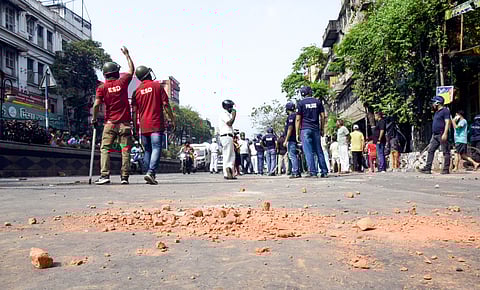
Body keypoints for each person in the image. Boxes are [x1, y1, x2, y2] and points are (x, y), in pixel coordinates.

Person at [92, 46, 134, 185]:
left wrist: (94, 118)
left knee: (105, 148)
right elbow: (131, 70)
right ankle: (124, 177)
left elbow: (96, 105)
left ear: (104, 74)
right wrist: (127, 55)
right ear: (116, 73)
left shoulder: (102, 88)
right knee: (125, 149)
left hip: (110, 123)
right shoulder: (122, 82)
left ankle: (105, 175)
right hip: (125, 124)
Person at [132, 65, 176, 185]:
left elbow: (134, 112)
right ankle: (151, 172)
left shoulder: (136, 91)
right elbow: (166, 105)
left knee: (147, 150)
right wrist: (172, 120)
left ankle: (148, 172)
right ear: (148, 74)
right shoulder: (157, 86)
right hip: (156, 123)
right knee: (156, 147)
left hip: (143, 125)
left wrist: (135, 129)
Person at [295, 86, 329, 178]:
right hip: (315, 129)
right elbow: (322, 116)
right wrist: (322, 129)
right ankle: (324, 171)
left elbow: (298, 119)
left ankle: (313, 172)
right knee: (319, 150)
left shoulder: (301, 103)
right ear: (310, 92)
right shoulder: (318, 102)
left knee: (308, 151)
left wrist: (297, 133)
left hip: (305, 129)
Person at [421, 96, 451, 174]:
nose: (432, 104)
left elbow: (447, 122)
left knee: (445, 151)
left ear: (437, 103)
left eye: (433, 102)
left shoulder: (445, 111)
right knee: (430, 150)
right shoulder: (436, 112)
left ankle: (446, 169)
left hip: (442, 133)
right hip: (435, 135)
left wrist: (445, 133)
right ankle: (428, 168)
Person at [219, 100, 237, 179]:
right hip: (226, 136)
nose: (232, 108)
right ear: (227, 107)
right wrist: (234, 116)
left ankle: (230, 171)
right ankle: (227, 172)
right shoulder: (224, 114)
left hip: (228, 136)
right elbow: (229, 123)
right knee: (228, 155)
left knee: (231, 155)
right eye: (231, 107)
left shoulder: (226, 114)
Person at [284, 102, 300, 178]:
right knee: (295, 156)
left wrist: (286, 140)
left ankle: (295, 171)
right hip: (296, 138)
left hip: (291, 139)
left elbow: (290, 128)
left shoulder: (291, 116)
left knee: (292, 156)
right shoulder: (296, 115)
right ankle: (297, 171)